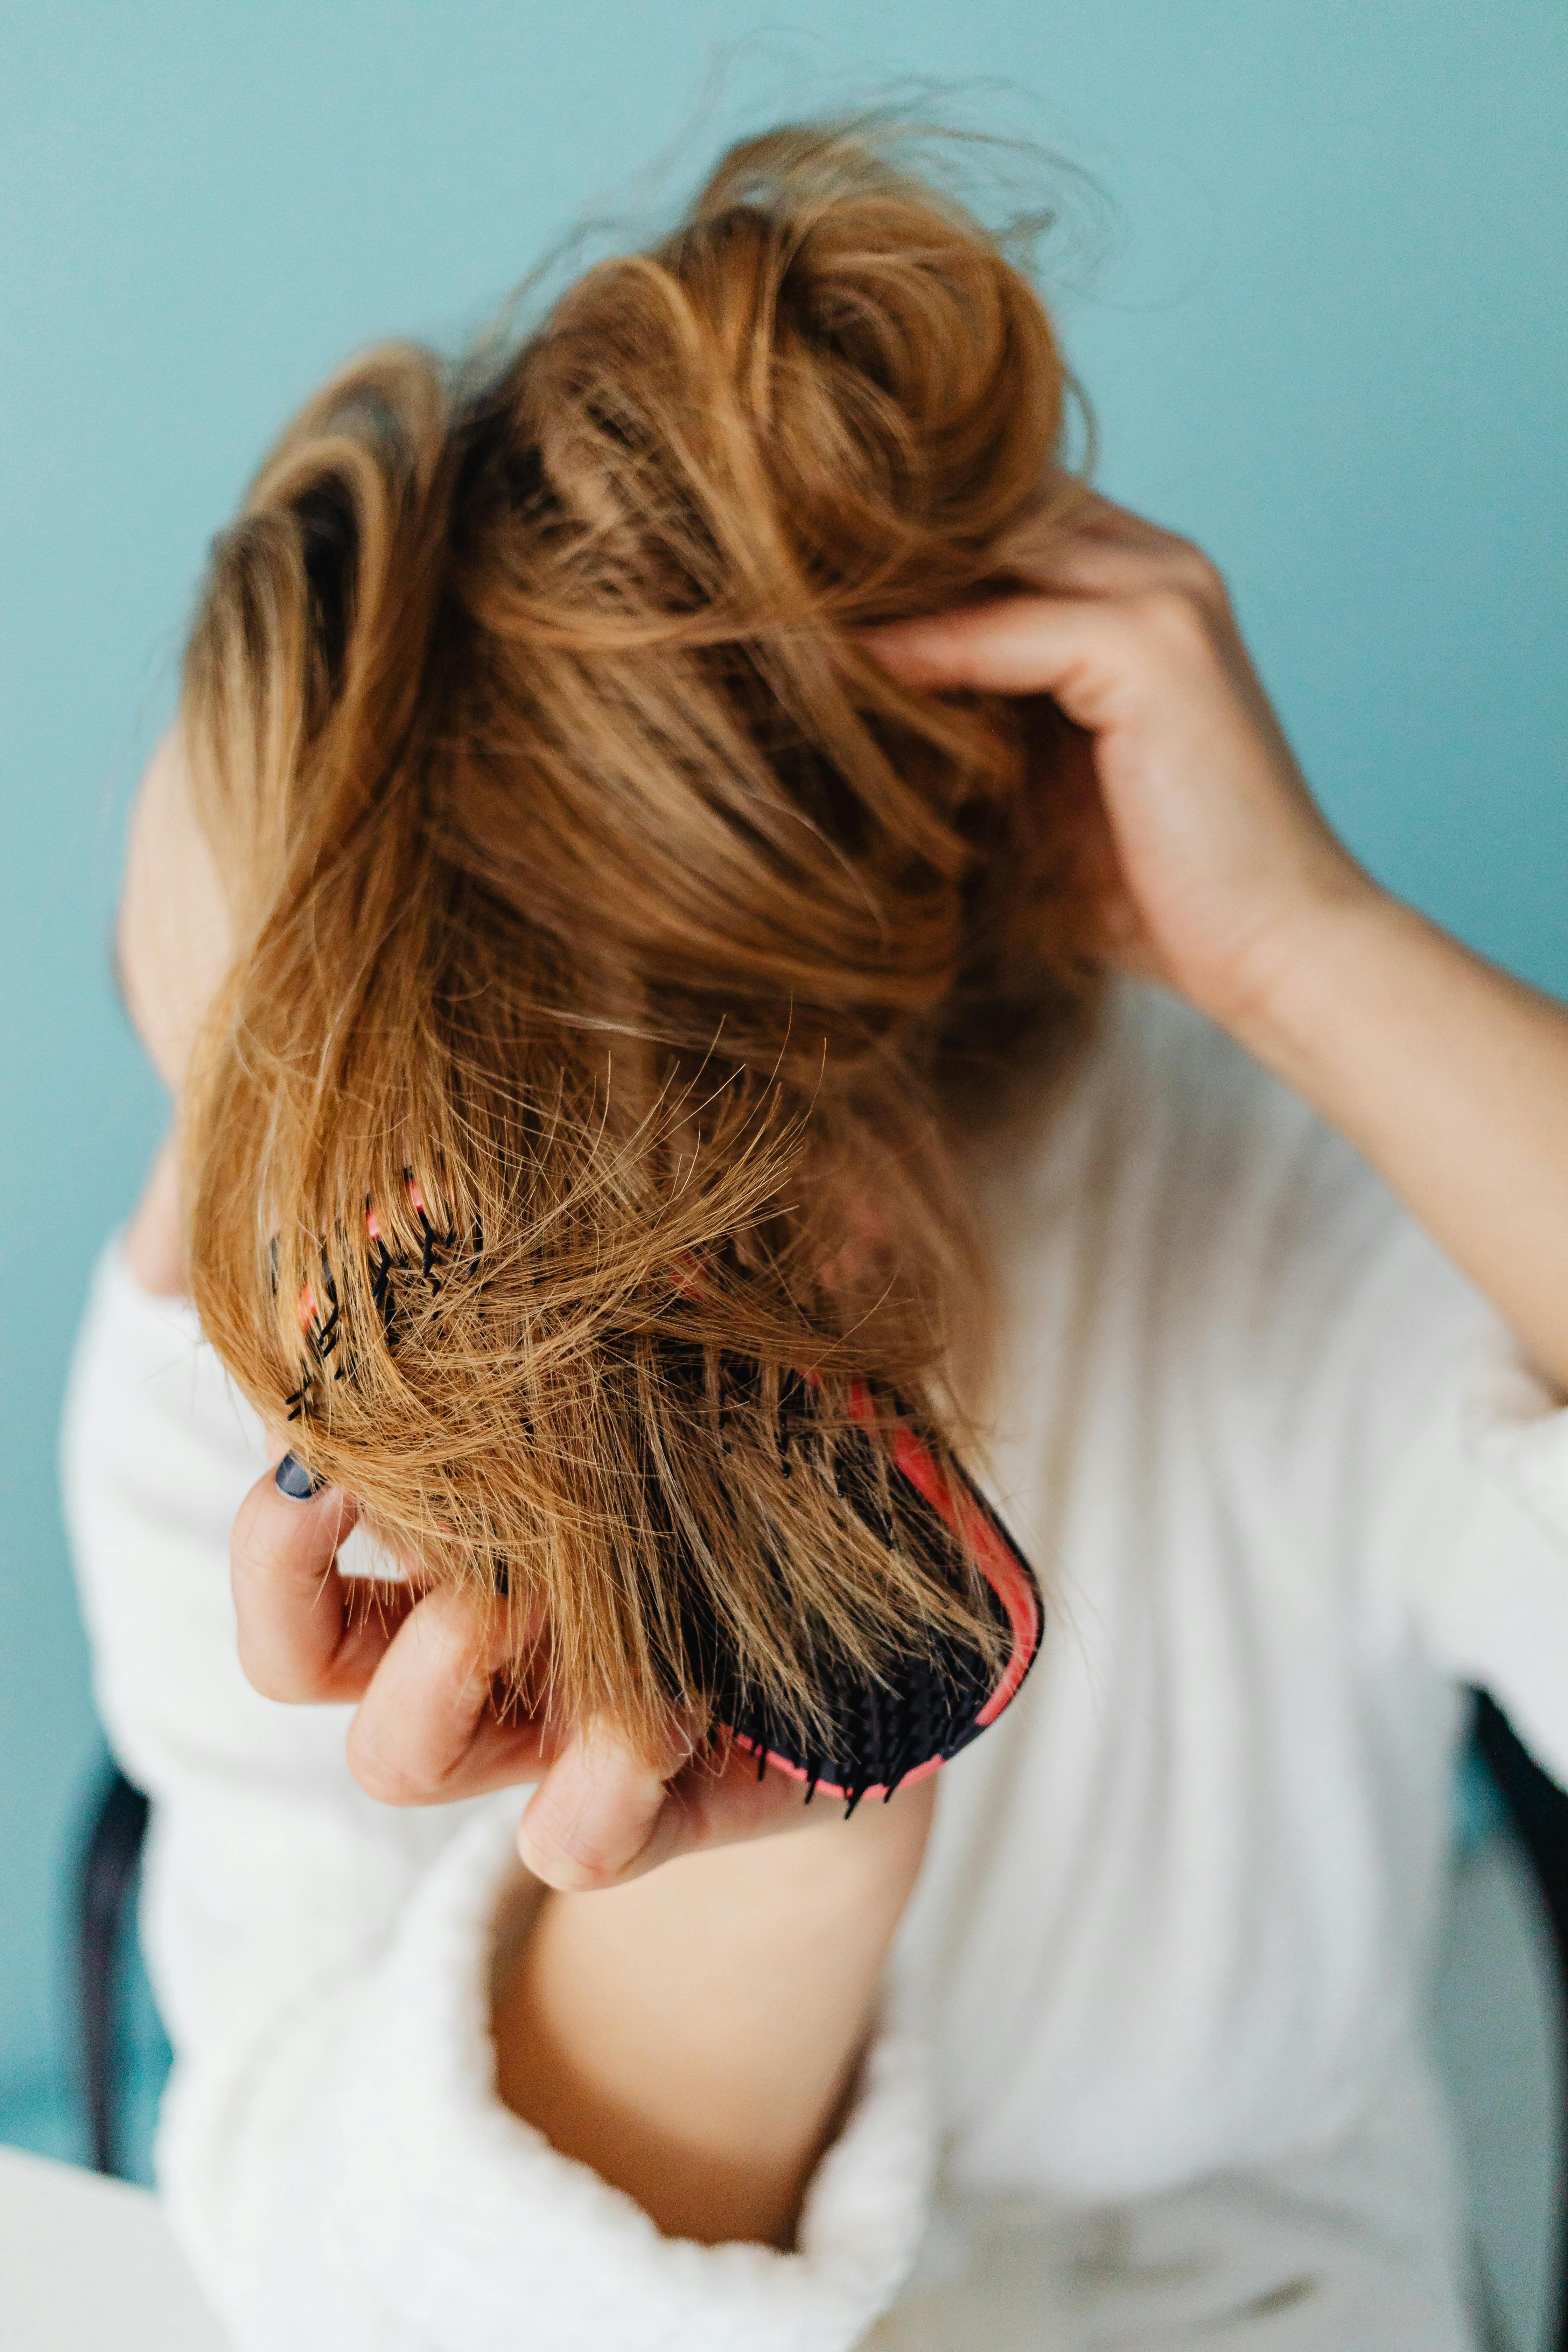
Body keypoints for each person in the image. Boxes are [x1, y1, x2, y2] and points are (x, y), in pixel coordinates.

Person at [63, 122, 1568, 2351]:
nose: (217, 1263)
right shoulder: (217, 1386)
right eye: (198, 1099)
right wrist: (778, 1839)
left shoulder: (1255, 1211)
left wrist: (1305, 950)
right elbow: (350, 2291)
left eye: (313, 1143)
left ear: (821, 1151)